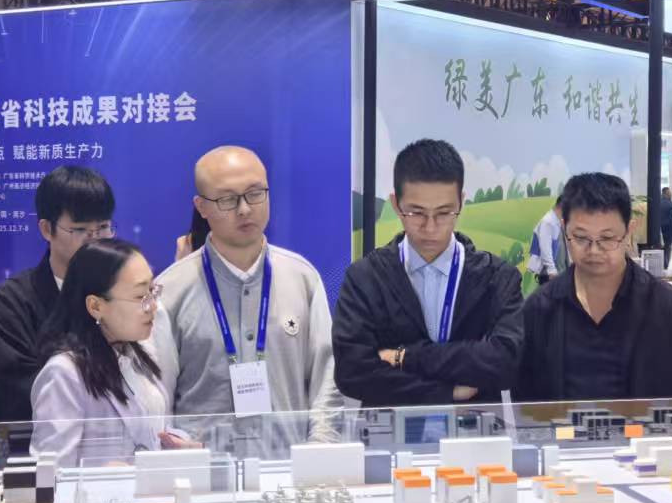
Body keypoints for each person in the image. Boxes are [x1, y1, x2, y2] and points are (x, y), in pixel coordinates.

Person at [157, 146, 341, 449]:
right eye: (227, 199)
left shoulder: (302, 278)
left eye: (255, 194)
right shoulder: (170, 290)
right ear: (201, 207)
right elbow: (156, 399)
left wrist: (318, 450)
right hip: (205, 470)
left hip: (287, 468)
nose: (244, 209)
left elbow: (327, 379)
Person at [332, 139, 523, 408]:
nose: (430, 227)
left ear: (461, 202)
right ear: (396, 204)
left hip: (473, 429)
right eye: (416, 213)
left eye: (444, 213)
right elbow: (352, 372)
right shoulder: (365, 278)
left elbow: (506, 361)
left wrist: (405, 357)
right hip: (390, 429)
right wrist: (447, 393)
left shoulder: (497, 278)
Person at [513, 173, 672, 402]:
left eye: (607, 238)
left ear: (629, 231)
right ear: (564, 229)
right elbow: (525, 401)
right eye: (581, 238)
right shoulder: (538, 311)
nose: (594, 251)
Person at [0, 166, 115, 451]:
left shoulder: (123, 294)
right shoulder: (10, 304)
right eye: (80, 230)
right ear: (46, 229)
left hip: (117, 448)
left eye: (103, 227)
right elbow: (18, 395)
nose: (95, 240)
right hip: (42, 454)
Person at [29, 238, 190, 469]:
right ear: (96, 306)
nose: (153, 306)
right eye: (140, 297)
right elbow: (49, 472)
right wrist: (101, 476)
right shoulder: (64, 374)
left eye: (152, 291)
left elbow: (151, 431)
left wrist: (180, 445)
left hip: (151, 490)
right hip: (107, 494)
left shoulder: (139, 353)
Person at [527, 197, 564, 281]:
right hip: (545, 271)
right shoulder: (548, 222)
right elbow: (545, 248)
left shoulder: (555, 221)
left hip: (548, 269)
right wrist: (551, 270)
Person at [658, 186, 672, 269]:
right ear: (666, 194)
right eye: (670, 193)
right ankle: (665, 267)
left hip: (658, 231)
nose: (671, 195)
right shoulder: (671, 205)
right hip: (668, 233)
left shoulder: (657, 204)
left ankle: (660, 266)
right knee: (667, 250)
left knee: (659, 249)